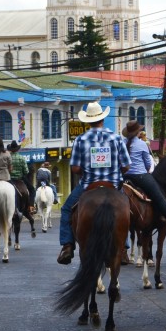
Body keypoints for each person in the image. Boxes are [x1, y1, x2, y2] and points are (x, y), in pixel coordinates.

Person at [56, 102, 130, 265]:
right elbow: (126, 166)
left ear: (88, 121)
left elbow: (75, 168)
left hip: (88, 185)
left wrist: (86, 172)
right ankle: (124, 247)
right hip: (113, 185)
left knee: (66, 209)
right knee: (127, 209)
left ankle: (67, 246)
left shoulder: (80, 140)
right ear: (102, 118)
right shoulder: (117, 138)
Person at [121, 120, 166, 225]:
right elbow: (148, 164)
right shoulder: (142, 144)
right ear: (138, 132)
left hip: (123, 176)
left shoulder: (121, 143)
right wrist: (146, 171)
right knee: (159, 197)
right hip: (141, 176)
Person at [7, 140, 35, 210]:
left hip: (9, 179)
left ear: (10, 149)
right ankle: (31, 206)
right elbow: (26, 171)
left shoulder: (7, 158)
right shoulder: (21, 158)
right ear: (17, 149)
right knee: (32, 190)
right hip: (20, 178)